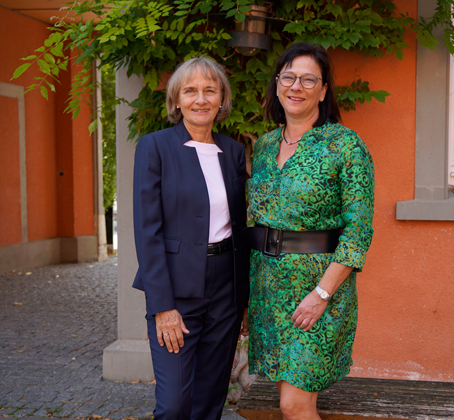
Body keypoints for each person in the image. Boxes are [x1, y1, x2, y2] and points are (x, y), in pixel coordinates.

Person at [246, 42, 375, 420]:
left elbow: (358, 231)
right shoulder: (266, 145)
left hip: (318, 294)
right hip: (269, 292)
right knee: (288, 405)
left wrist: (322, 294)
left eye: (308, 79)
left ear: (323, 90)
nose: (295, 87)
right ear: (277, 84)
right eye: (288, 77)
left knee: (295, 404)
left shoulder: (345, 145)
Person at [132, 56, 249, 420]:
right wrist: (162, 304)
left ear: (221, 100)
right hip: (176, 291)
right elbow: (147, 231)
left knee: (210, 400)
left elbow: (241, 227)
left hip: (225, 289)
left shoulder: (232, 152)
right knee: (174, 405)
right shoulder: (155, 147)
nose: (201, 99)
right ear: (177, 100)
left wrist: (242, 297)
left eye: (209, 91)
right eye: (191, 91)